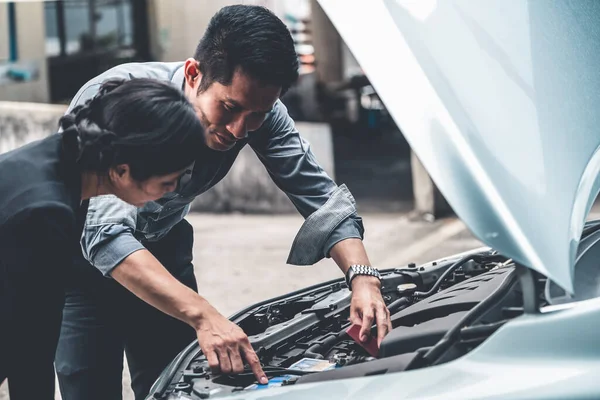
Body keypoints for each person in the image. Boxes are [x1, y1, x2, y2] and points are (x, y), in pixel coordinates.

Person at [55, 5, 393, 400]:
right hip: (80, 262)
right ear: (195, 73)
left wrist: (364, 277)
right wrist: (205, 315)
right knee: (88, 388)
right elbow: (105, 233)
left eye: (256, 116)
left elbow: (322, 199)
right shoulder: (119, 97)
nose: (238, 130)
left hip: (164, 246)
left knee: (176, 385)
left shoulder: (260, 114)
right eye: (229, 108)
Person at [0, 78, 204, 399]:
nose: (174, 191)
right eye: (168, 181)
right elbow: (31, 347)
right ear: (122, 170)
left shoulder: (59, 167)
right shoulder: (47, 210)